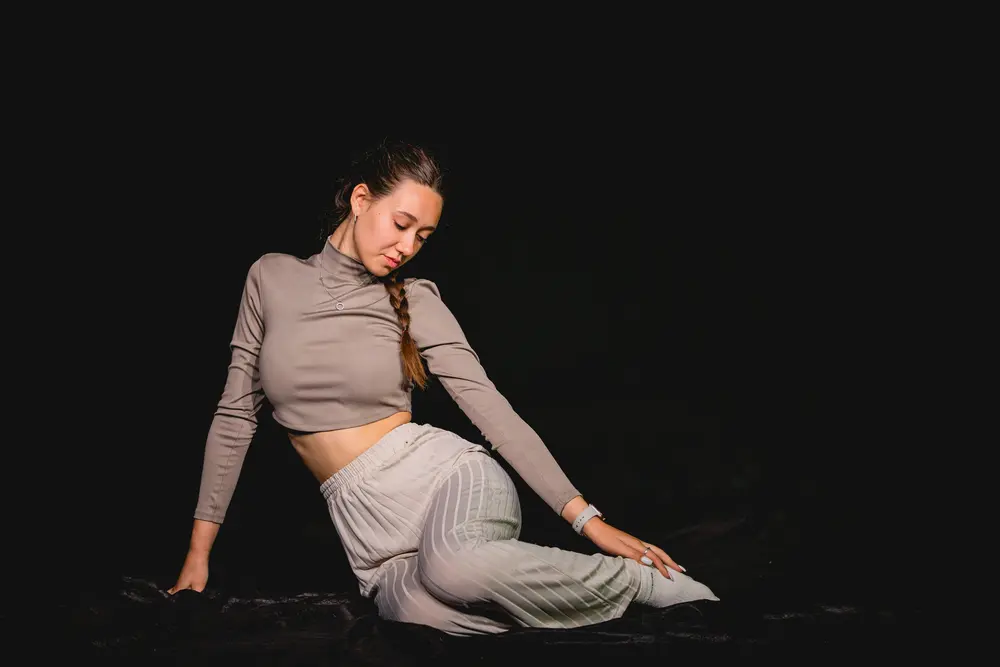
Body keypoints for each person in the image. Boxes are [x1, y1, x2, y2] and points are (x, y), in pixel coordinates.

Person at [167, 139, 719, 635]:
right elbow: (235, 415)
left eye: (422, 236)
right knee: (423, 617)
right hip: (367, 530)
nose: (407, 246)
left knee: (454, 567)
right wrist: (198, 554)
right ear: (360, 200)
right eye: (400, 224)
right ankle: (558, 594)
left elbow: (489, 408)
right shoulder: (270, 276)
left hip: (445, 483)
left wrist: (587, 520)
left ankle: (643, 582)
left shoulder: (415, 300)